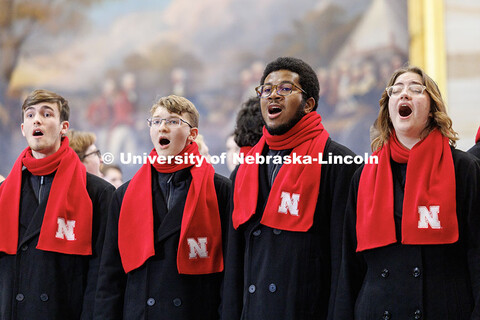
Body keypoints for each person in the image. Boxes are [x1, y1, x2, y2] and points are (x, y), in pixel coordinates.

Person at [333, 66, 480, 319]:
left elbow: (477, 253)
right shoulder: (364, 175)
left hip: (442, 309)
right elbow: (349, 265)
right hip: (376, 310)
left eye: (415, 89)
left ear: (432, 109)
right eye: (396, 90)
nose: (404, 95)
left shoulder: (463, 168)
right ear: (388, 110)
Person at [221, 57, 359, 319]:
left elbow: (344, 263)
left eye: (285, 89)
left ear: (308, 104)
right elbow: (234, 264)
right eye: (266, 89)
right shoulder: (244, 170)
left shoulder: (339, 163)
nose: (273, 95)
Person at [94, 95, 231, 319]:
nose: (162, 128)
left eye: (173, 121)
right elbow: (110, 276)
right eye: (156, 122)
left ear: (192, 135)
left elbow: (230, 275)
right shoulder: (124, 195)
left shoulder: (220, 190)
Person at [0, 89, 115, 319]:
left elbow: (102, 275)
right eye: (30, 115)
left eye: (47, 114)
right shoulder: (3, 193)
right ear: (23, 129)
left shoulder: (97, 192)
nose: (37, 120)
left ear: (64, 127)